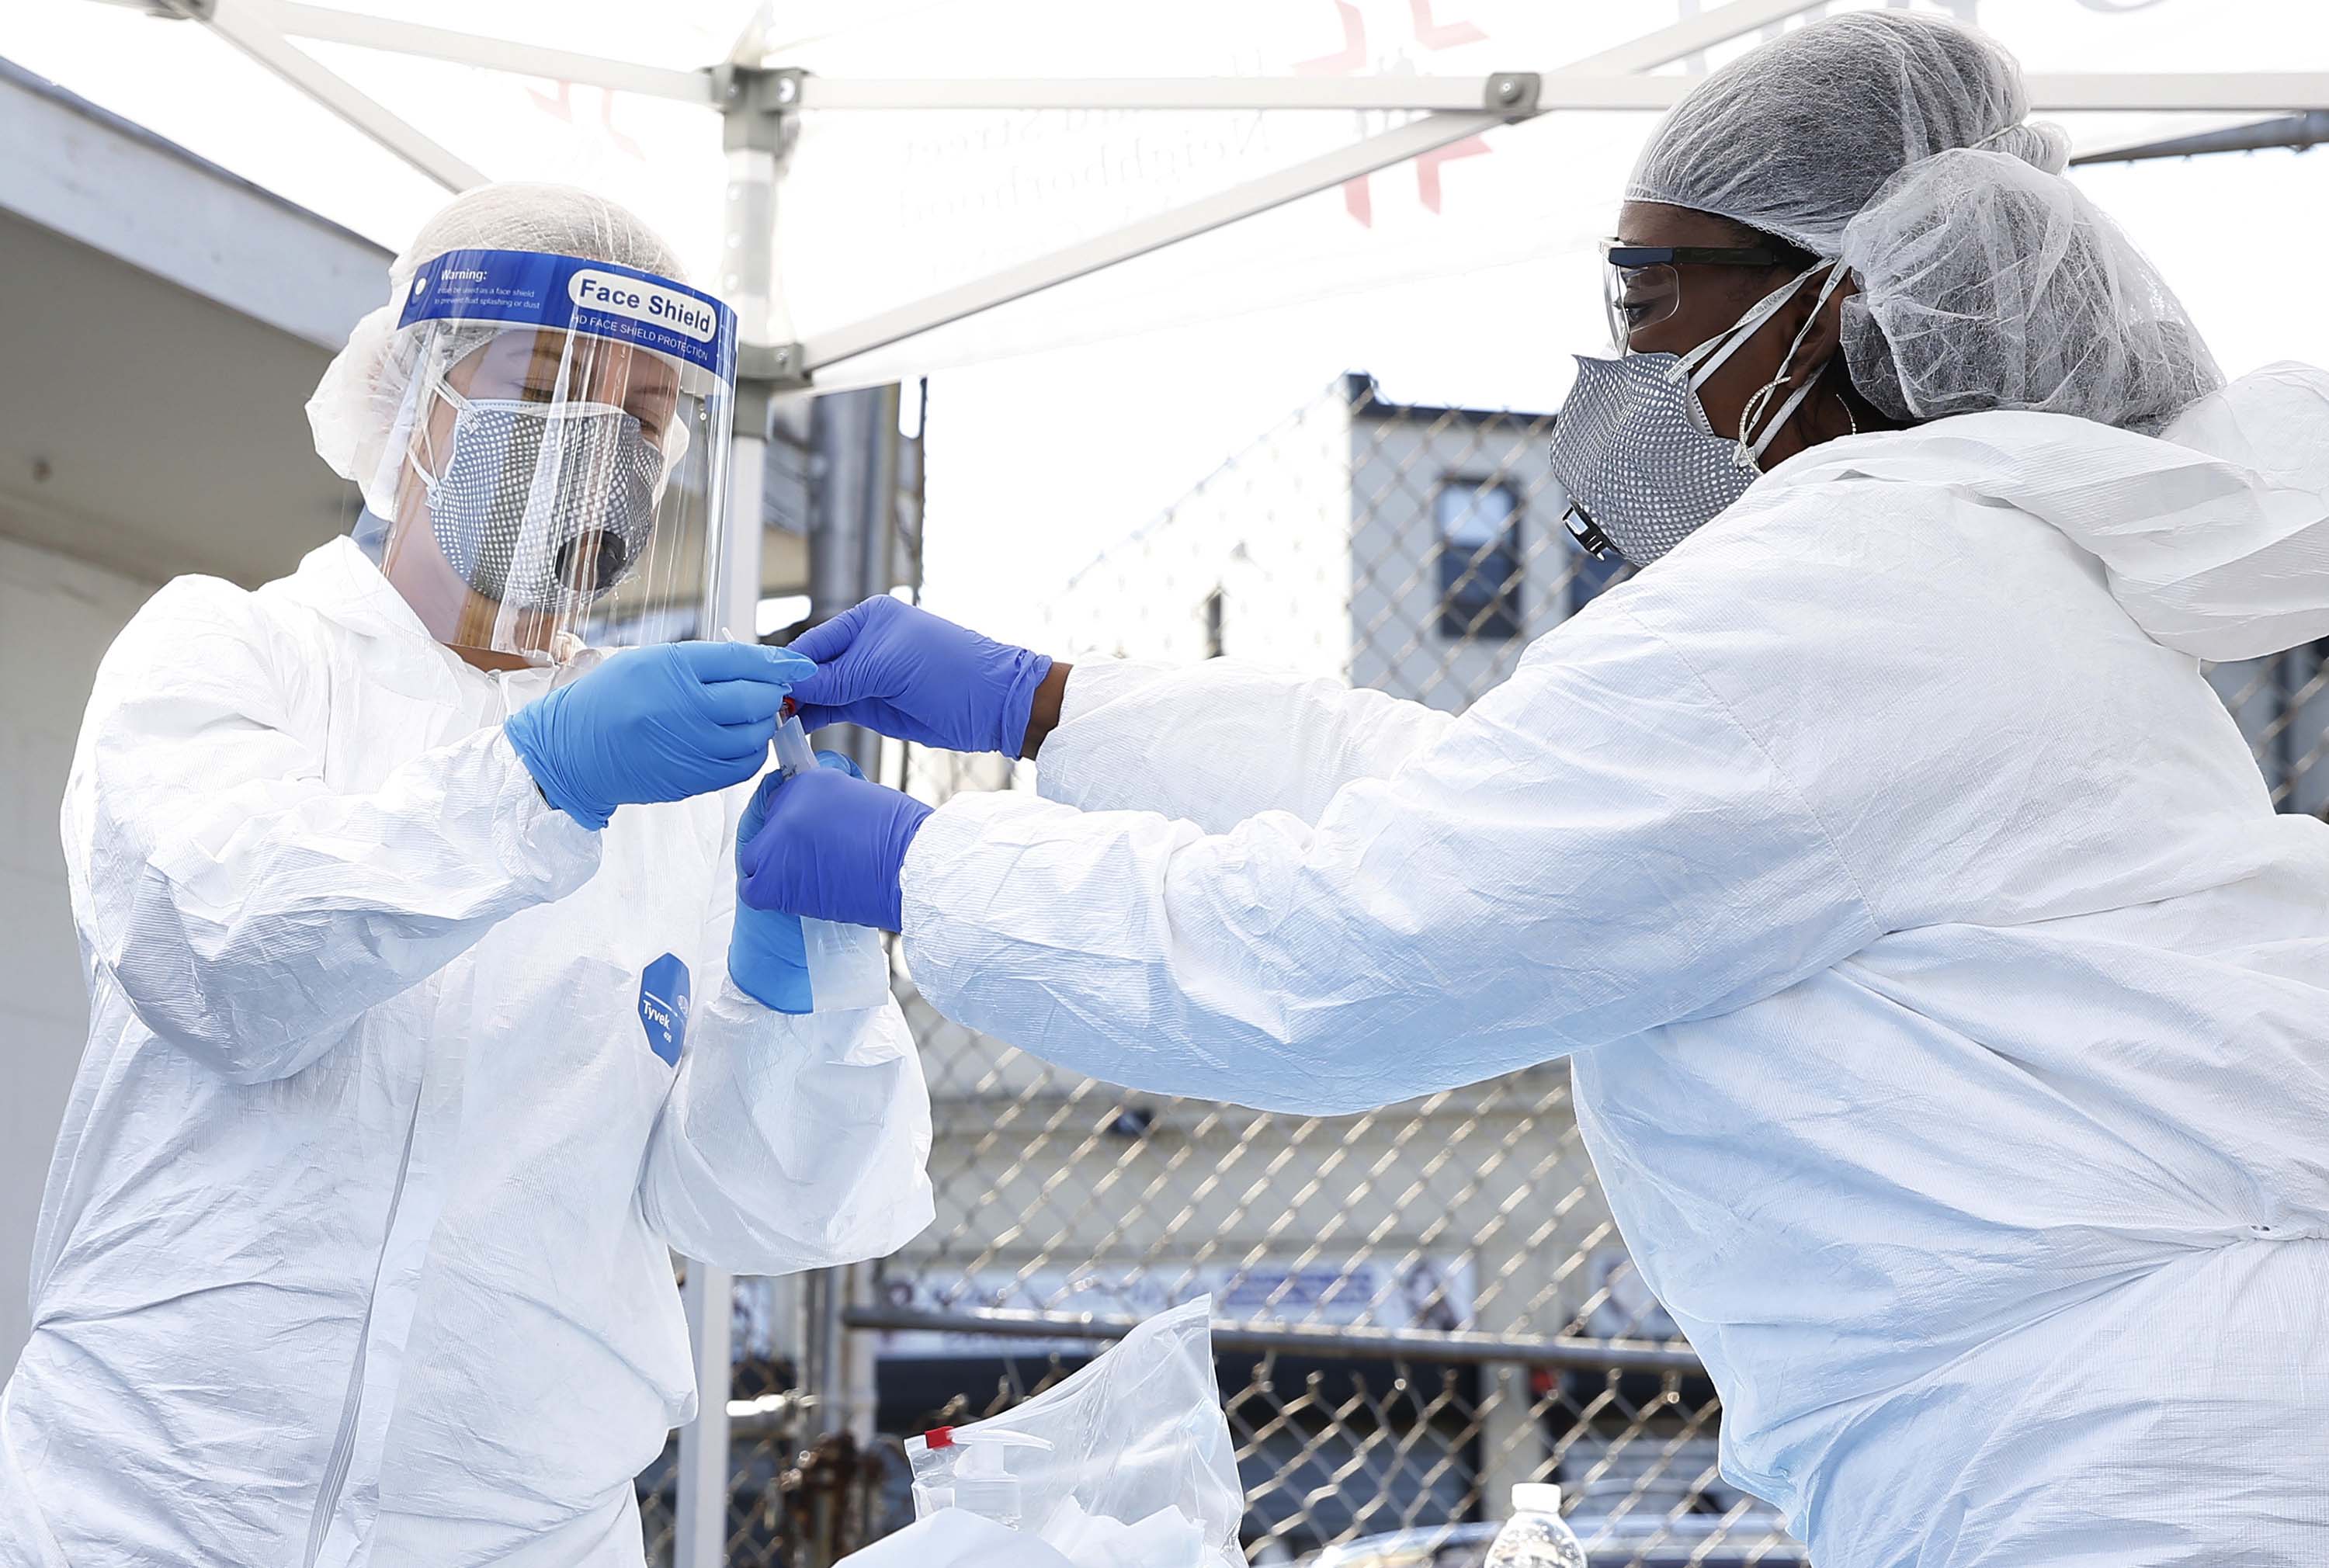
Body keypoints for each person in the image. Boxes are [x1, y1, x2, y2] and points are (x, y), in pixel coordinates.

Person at [734, 14, 2329, 1567]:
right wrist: (1053, 705)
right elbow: (1485, 808)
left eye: (1650, 293)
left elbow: (1340, 951)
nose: (1620, 365)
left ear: (1834, 303)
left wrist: (923, 866)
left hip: (2115, 1462)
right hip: (2152, 1416)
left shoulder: (1839, 587)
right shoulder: (1978, 575)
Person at [0, 185, 932, 1568]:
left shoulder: (690, 793)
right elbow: (223, 964)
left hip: (520, 1535)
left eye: (648, 421)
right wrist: (538, 779)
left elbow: (760, 1205)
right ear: (416, 393)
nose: (599, 450)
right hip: (153, 1508)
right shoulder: (235, 657)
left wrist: (810, 982)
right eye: (550, 387)